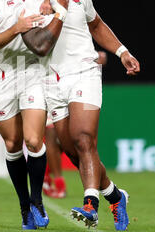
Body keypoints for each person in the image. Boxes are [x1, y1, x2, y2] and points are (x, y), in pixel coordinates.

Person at [21, 0, 140, 231]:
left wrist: (122, 51)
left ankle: (91, 206)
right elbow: (40, 46)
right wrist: (56, 9)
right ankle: (114, 195)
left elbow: (96, 24)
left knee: (84, 138)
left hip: (85, 74)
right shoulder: (27, 7)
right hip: (53, 82)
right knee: (74, 152)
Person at [0, 0, 79, 230]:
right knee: (12, 144)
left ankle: (36, 201)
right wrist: (17, 28)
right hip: (4, 75)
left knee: (34, 140)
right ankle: (24, 207)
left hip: (33, 71)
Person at [43, 51, 108, 199]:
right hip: (52, 85)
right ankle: (54, 181)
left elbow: (101, 55)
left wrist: (119, 52)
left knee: (83, 144)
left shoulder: (79, 34)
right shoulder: (45, 33)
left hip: (82, 87)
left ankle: (108, 194)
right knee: (57, 140)